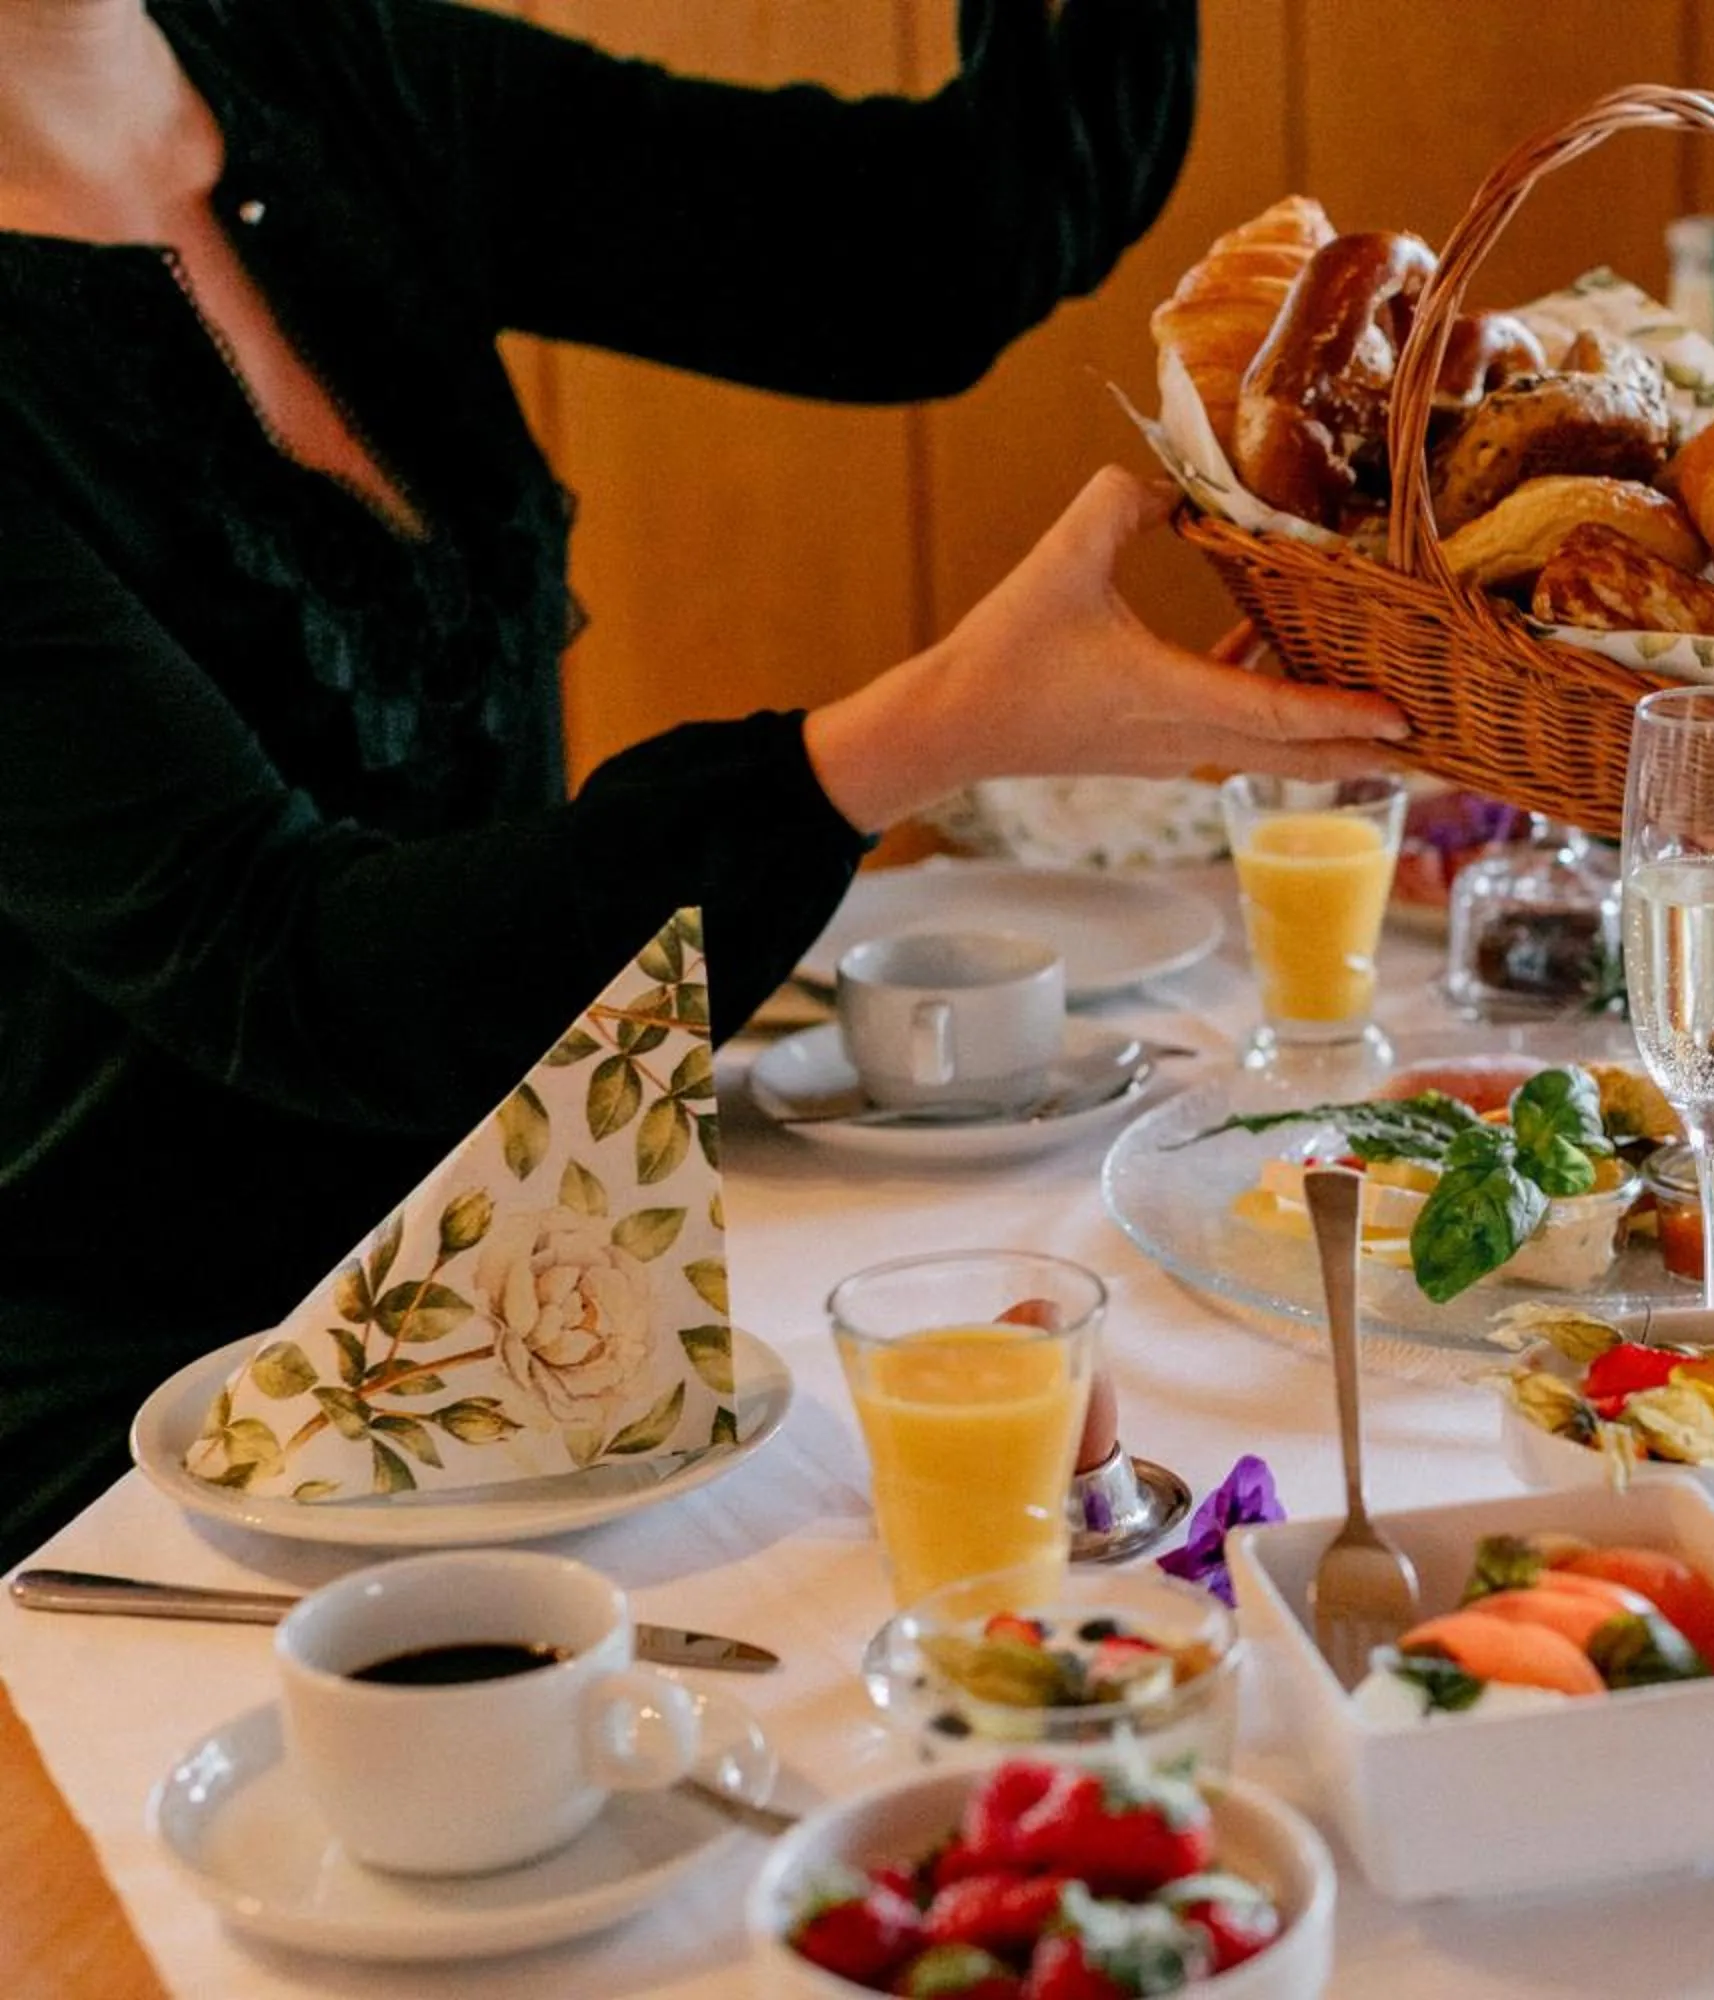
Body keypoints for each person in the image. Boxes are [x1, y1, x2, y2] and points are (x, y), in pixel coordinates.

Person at [0, 0, 1407, 1566]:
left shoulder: (331, 69)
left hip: (558, 1281)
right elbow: (290, 963)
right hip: (161, 1432)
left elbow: (934, 247)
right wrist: (926, 731)